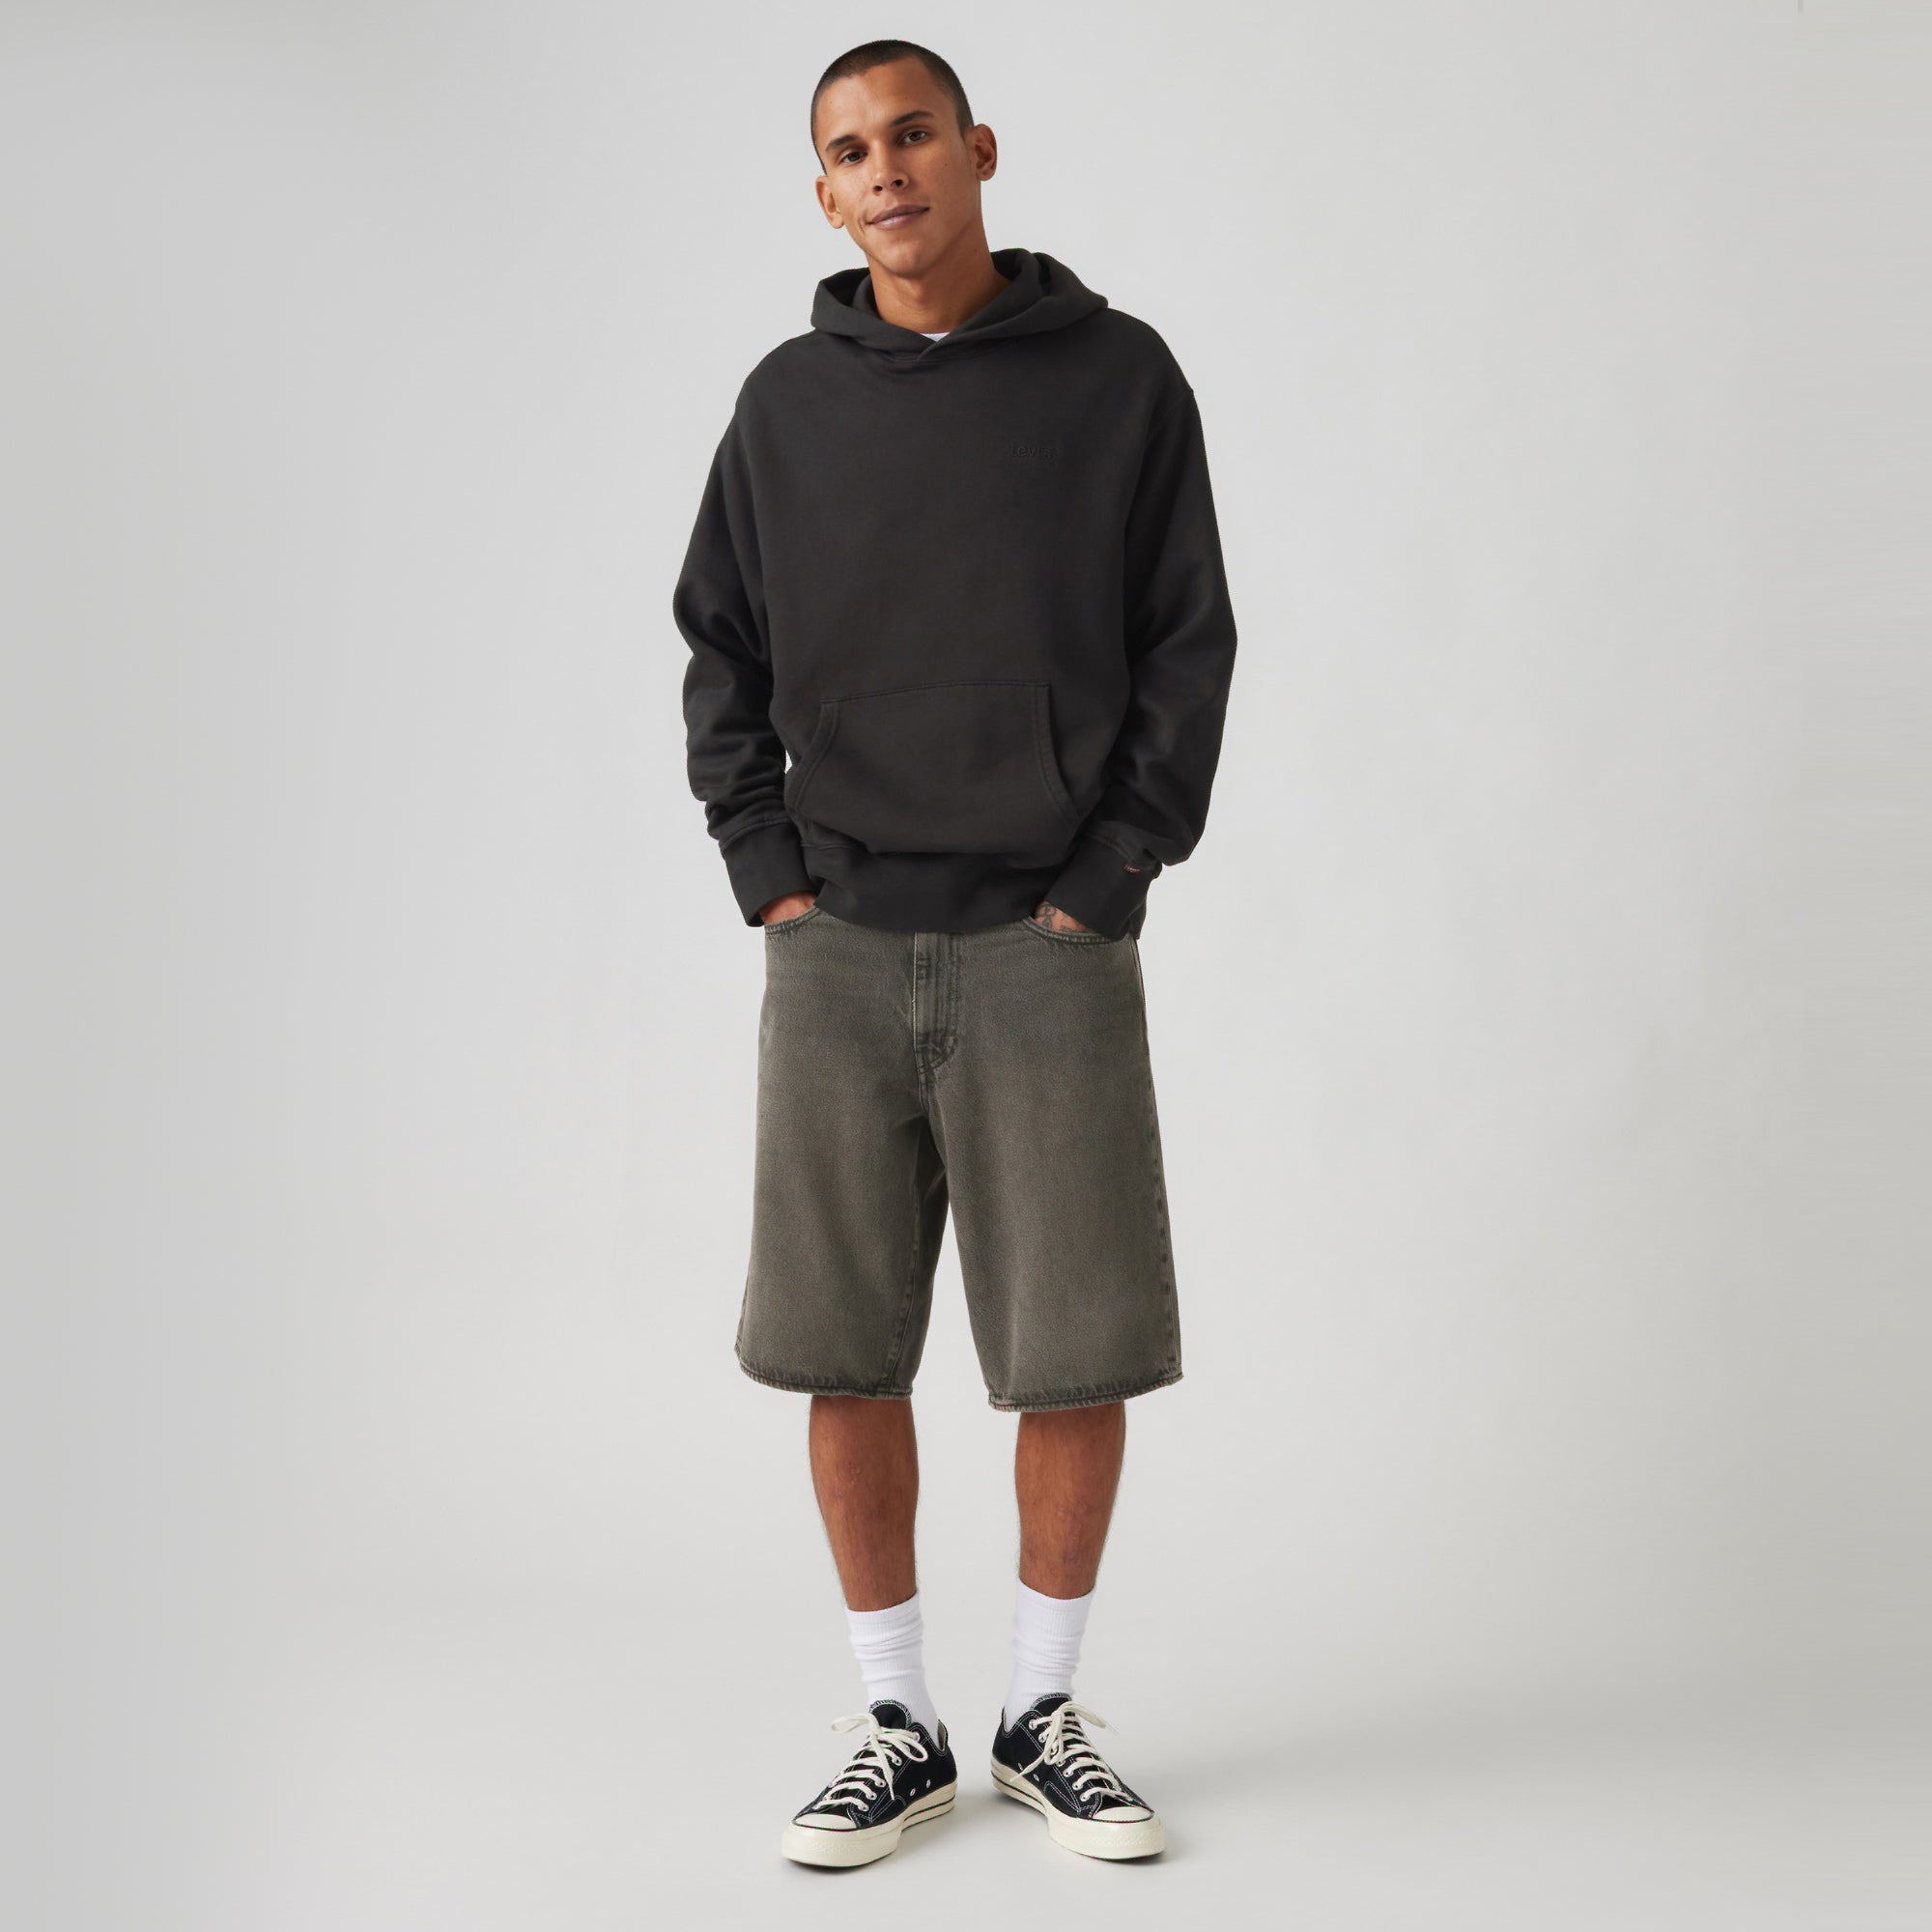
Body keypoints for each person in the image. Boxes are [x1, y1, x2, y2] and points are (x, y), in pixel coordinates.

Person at [671, 39, 1237, 1867]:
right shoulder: (783, 406)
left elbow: (1188, 640)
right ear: (825, 194)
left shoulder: (1119, 378)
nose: (887, 169)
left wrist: (1111, 873)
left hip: (1044, 943)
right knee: (844, 1349)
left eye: (912, 133)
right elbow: (719, 647)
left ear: (979, 149)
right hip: (836, 941)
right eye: (851, 150)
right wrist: (770, 873)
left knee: (1074, 1351)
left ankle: (1041, 1714)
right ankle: (897, 1723)